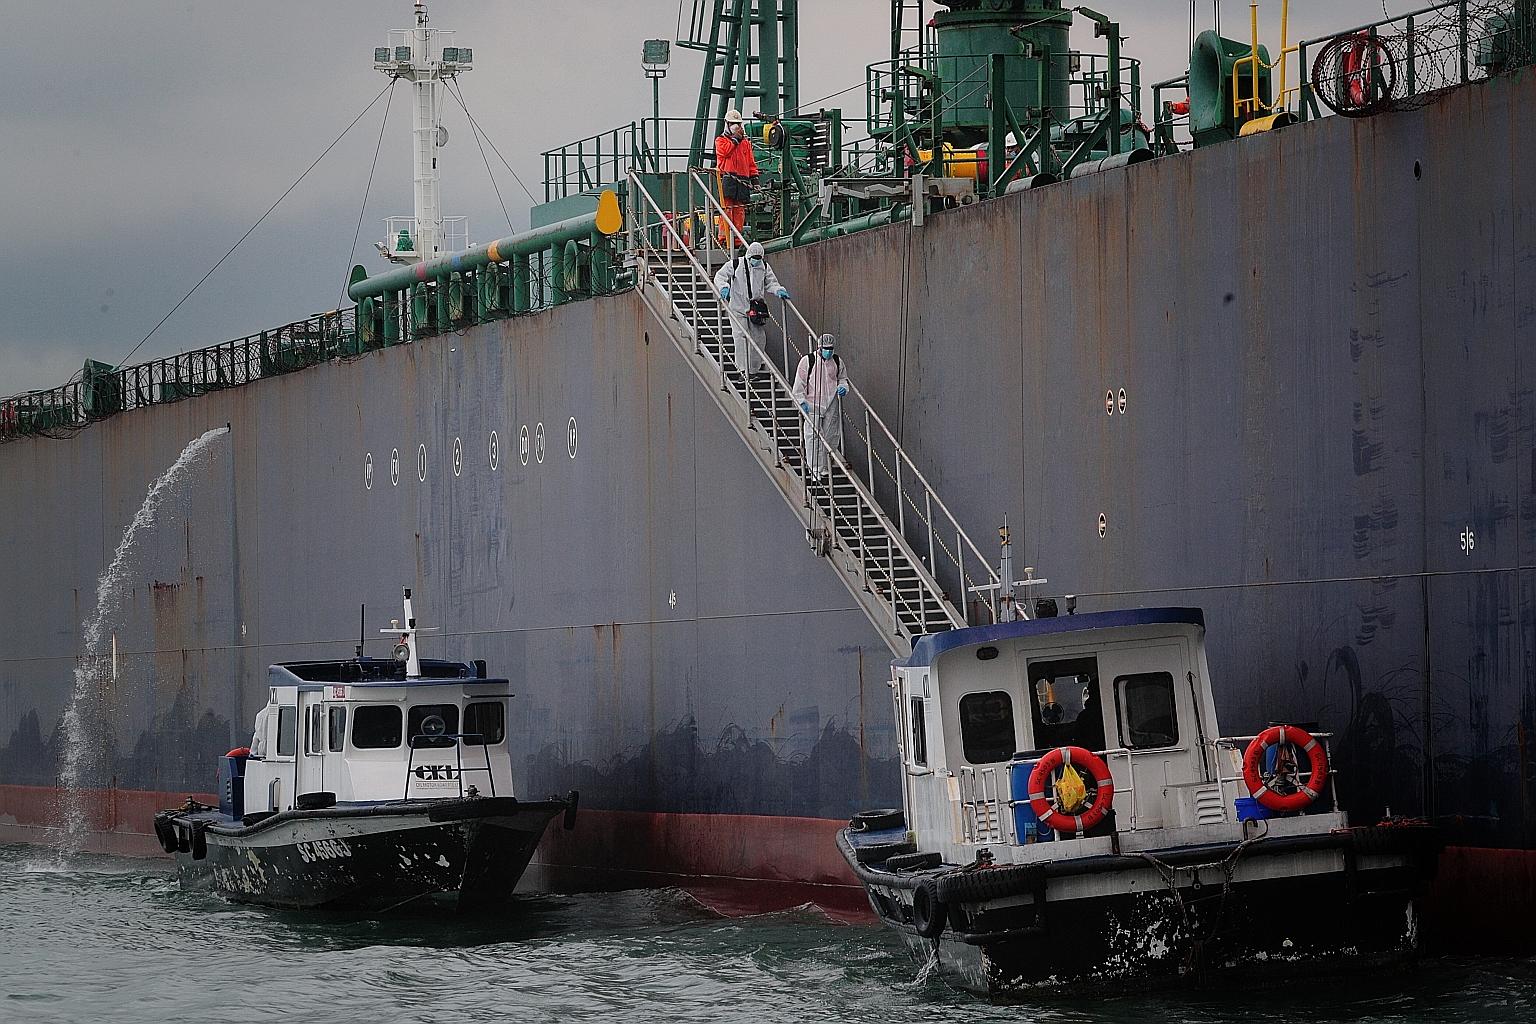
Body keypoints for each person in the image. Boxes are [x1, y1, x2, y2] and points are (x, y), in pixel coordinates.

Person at [713, 240, 788, 376]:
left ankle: (753, 370)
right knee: (740, 337)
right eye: (754, 258)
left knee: (759, 338)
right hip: (738, 307)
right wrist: (724, 288)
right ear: (748, 256)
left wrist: (778, 290)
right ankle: (743, 370)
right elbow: (720, 276)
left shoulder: (764, 266)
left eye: (759, 258)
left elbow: (771, 282)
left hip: (755, 308)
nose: (756, 261)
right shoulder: (736, 264)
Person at [791, 332, 849, 482]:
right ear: (819, 347)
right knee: (812, 437)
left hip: (830, 403)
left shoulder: (837, 361)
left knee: (830, 436)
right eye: (826, 348)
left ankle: (823, 467)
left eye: (831, 348)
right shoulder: (808, 361)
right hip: (812, 404)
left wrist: (843, 387)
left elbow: (842, 378)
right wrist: (801, 401)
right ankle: (814, 468)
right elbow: (799, 384)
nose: (828, 351)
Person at [714, 108, 758, 244]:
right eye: (733, 123)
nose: (736, 126)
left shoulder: (745, 143)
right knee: (727, 209)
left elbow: (751, 162)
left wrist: (755, 179)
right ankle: (724, 238)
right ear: (727, 124)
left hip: (742, 179)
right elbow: (725, 152)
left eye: (738, 123)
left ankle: (737, 239)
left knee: (739, 211)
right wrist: (735, 140)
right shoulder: (721, 140)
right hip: (727, 178)